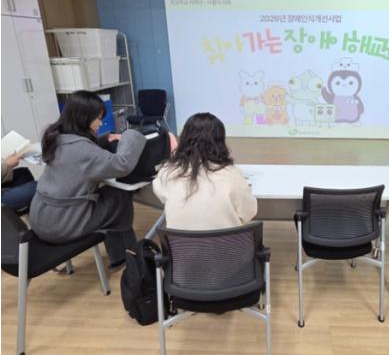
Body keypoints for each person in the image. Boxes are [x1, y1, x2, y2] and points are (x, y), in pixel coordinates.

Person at [29, 91, 146, 267]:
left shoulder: (55, 137)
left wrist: (105, 139)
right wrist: (130, 134)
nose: (101, 123)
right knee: (119, 197)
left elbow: (81, 153)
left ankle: (122, 253)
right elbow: (122, 165)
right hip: (61, 226)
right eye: (98, 118)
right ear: (83, 118)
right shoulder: (83, 151)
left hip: (41, 218)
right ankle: (126, 254)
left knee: (111, 196)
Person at [153, 112, 257, 231]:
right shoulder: (232, 174)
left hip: (181, 243)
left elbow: (160, 193)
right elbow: (249, 211)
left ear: (184, 140)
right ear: (220, 142)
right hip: (226, 243)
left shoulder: (168, 172)